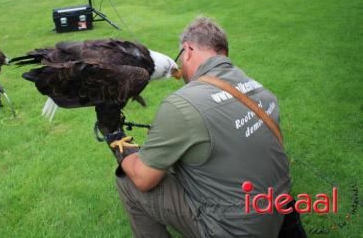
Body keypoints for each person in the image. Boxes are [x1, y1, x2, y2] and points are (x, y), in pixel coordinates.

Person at [111, 17, 294, 237]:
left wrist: (116, 139)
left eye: (181, 57)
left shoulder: (181, 105)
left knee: (129, 181)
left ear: (187, 50)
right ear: (223, 52)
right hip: (280, 212)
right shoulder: (260, 90)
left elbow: (142, 179)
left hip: (232, 231)